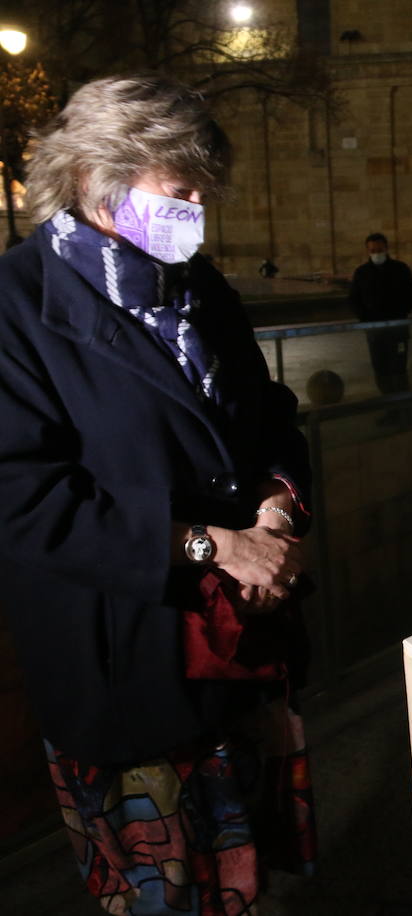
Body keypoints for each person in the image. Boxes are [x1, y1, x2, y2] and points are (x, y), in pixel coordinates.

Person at [0, 75, 316, 914]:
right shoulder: (15, 306)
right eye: (180, 188)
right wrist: (213, 545)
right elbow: (26, 503)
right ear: (98, 177)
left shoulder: (200, 290)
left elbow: (273, 419)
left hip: (236, 650)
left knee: (248, 882)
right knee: (165, 896)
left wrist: (278, 509)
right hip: (125, 664)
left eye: (205, 186)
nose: (199, 205)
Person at [350, 231, 412, 394]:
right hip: (375, 332)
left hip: (398, 330)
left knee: (399, 368)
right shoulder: (362, 273)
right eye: (373, 251)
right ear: (368, 251)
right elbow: (354, 299)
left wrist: (400, 313)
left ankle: (402, 405)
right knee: (381, 369)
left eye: (379, 250)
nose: (376, 254)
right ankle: (388, 405)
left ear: (386, 249)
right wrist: (365, 318)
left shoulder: (400, 269)